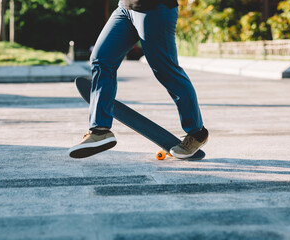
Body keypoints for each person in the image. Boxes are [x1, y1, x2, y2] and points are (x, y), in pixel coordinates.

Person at [69, 0, 208, 159]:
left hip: (155, 8)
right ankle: (100, 131)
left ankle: (197, 133)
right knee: (101, 60)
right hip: (126, 8)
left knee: (165, 69)